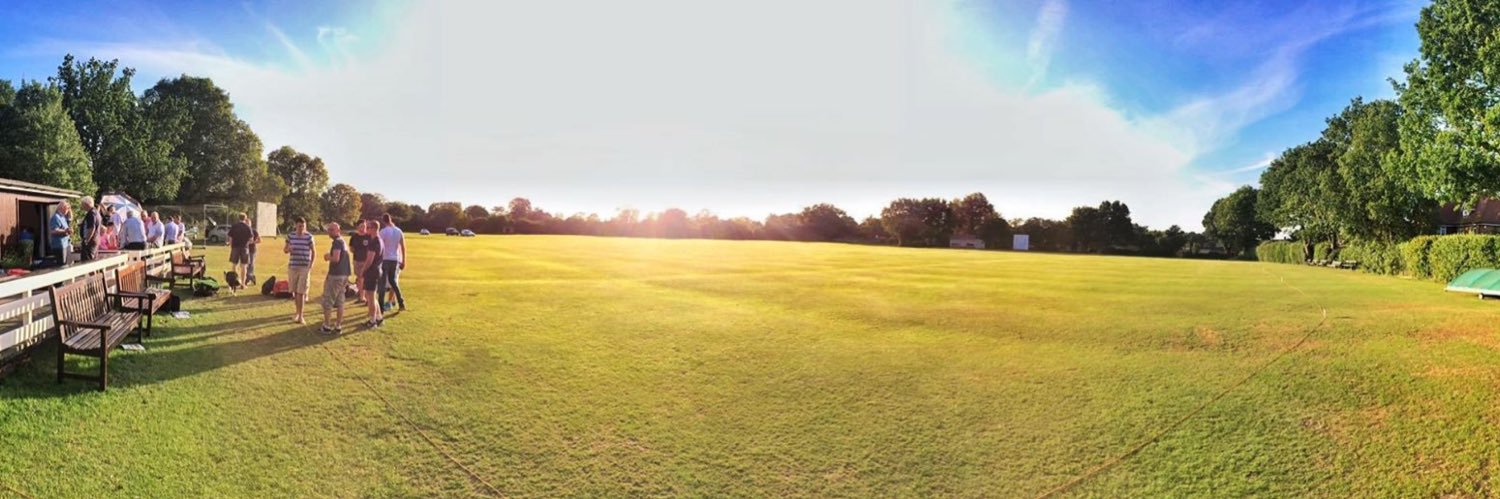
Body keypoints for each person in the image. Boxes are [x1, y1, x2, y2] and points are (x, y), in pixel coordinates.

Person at [284, 217, 316, 325]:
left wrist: (311, 265)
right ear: (295, 226)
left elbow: (313, 252)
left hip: (304, 267)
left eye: (303, 226)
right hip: (293, 266)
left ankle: (301, 316)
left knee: (301, 292)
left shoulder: (309, 237)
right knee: (294, 291)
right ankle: (297, 313)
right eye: (299, 226)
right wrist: (289, 249)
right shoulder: (290, 236)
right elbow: (285, 249)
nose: (301, 228)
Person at [320, 222, 350, 335]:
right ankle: (338, 326)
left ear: (338, 230)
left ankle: (327, 326)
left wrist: (328, 257)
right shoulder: (342, 241)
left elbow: (336, 258)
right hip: (344, 274)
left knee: (328, 300)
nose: (329, 232)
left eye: (332, 230)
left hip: (336, 275)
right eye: (329, 229)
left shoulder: (337, 242)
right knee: (340, 301)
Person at [355, 220, 384, 327]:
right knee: (372, 296)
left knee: (370, 297)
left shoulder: (374, 242)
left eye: (369, 227)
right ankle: (379, 317)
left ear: (374, 229)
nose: (367, 229)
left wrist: (362, 271)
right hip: (376, 270)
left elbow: (369, 260)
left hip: (372, 271)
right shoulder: (379, 240)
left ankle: (372, 321)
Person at [378, 213, 407, 312]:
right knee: (393, 282)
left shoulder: (383, 231)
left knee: (382, 284)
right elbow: (403, 247)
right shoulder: (399, 231)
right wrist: (404, 260)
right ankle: (401, 303)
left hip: (385, 259)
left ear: (383, 221)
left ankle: (381, 307)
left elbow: (379, 246)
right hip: (395, 259)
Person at [228, 213, 253, 290]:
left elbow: (230, 238)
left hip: (235, 247)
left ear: (238, 218)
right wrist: (246, 243)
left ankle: (234, 282)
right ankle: (243, 284)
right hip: (244, 248)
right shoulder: (248, 227)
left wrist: (231, 246)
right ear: (245, 218)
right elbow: (251, 239)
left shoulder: (234, 226)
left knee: (234, 265)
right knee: (244, 266)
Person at [48, 201, 73, 266]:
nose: (68, 210)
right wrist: (65, 231)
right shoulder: (56, 217)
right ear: (62, 208)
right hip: (59, 245)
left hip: (65, 244)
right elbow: (53, 231)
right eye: (67, 208)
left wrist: (68, 230)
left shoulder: (63, 217)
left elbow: (70, 218)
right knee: (61, 265)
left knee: (66, 264)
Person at [78, 197, 101, 262]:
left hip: (90, 242)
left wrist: (86, 240)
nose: (81, 206)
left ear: (86, 204)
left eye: (82, 204)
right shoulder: (96, 212)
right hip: (95, 240)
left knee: (87, 261)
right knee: (93, 260)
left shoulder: (91, 213)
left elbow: (91, 228)